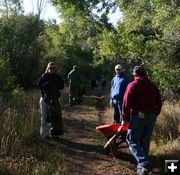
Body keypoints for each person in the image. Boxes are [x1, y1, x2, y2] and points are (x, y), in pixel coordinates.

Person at [121, 66, 162, 175]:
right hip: (151, 118)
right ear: (145, 74)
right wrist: (154, 114)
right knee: (145, 142)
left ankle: (144, 162)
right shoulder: (153, 86)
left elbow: (126, 104)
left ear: (135, 75)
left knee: (131, 140)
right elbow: (159, 102)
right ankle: (142, 169)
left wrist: (124, 118)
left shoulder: (132, 85)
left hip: (138, 117)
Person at [38, 62, 64, 139]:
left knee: (55, 116)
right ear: (47, 68)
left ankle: (53, 134)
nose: (52, 69)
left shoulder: (57, 76)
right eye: (50, 68)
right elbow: (39, 86)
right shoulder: (44, 76)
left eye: (53, 68)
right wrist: (47, 84)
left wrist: (56, 84)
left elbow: (62, 86)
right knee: (44, 117)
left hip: (55, 99)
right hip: (45, 99)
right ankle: (44, 135)